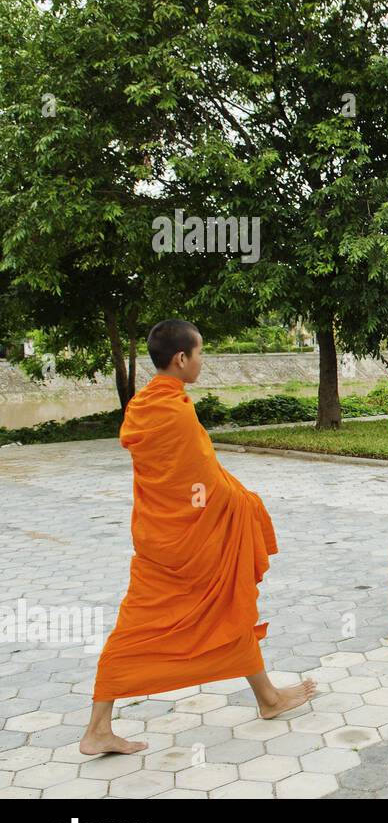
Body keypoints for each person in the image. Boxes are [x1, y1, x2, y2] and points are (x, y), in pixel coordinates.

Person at [82, 320, 315, 757]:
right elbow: (203, 480)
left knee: (154, 621)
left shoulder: (142, 406)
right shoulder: (173, 410)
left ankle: (266, 697)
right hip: (193, 539)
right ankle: (97, 730)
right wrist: (244, 503)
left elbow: (181, 476)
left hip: (158, 537)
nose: (202, 361)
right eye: (201, 353)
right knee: (219, 603)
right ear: (181, 359)